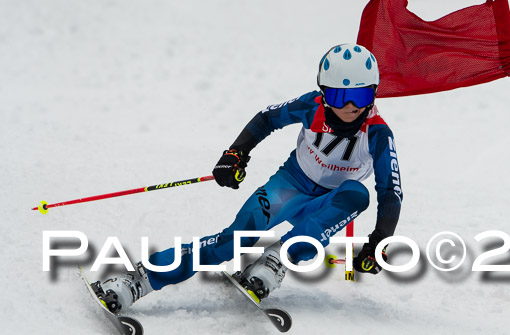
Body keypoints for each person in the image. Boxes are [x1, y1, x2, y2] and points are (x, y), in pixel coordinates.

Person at [92, 43, 403, 313]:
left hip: (329, 203)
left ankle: (277, 260)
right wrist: (236, 153)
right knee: (230, 243)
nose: (350, 107)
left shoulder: (377, 133)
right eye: (339, 95)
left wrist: (379, 241)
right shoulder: (312, 105)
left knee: (356, 194)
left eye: (360, 96)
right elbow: (267, 118)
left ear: (373, 93)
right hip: (290, 186)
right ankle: (138, 280)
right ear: (324, 93)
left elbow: (391, 192)